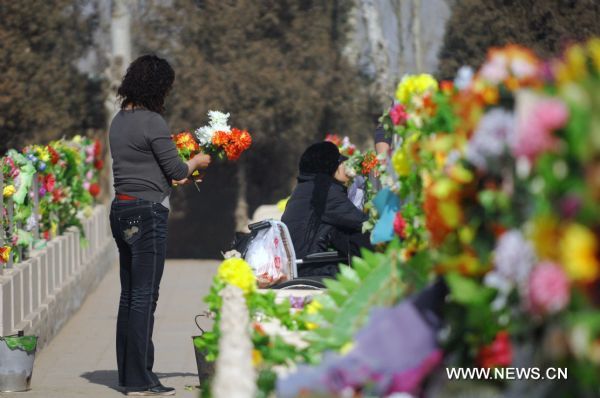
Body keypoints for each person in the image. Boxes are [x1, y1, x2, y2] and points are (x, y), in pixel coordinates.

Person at [108, 54, 211, 396]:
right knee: (144, 298)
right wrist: (197, 159)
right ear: (157, 88)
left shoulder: (119, 120)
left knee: (129, 296)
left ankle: (127, 373)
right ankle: (141, 378)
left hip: (121, 210)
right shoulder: (152, 122)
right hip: (147, 212)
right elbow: (179, 173)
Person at [282, 142, 372, 277]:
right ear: (330, 167)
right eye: (340, 161)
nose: (344, 165)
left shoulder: (305, 188)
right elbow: (363, 223)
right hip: (313, 267)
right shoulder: (323, 192)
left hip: (301, 264)